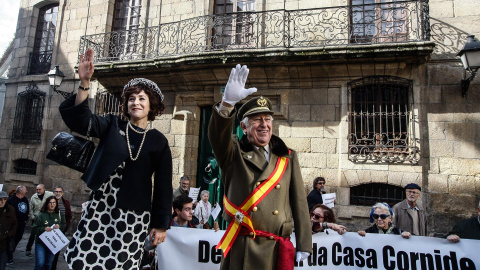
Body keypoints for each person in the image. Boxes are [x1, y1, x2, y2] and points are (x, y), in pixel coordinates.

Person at [60, 48, 173, 269]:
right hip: (100, 208)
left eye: (142, 98)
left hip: (133, 216)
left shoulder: (158, 140)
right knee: (85, 262)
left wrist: (161, 225)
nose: (136, 102)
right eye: (131, 98)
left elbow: (162, 186)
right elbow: (81, 122)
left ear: (152, 105)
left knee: (121, 264)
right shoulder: (112, 125)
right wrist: (84, 82)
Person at [208, 64, 312, 270]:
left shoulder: (287, 157)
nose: (264, 125)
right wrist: (227, 104)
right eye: (257, 120)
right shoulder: (233, 152)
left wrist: (304, 244)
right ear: (244, 127)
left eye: (267, 119)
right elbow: (216, 136)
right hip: (243, 247)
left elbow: (299, 204)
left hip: (276, 249)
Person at [32, 196, 65, 270]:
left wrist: (59, 226)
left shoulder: (59, 214)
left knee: (48, 264)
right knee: (40, 263)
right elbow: (34, 228)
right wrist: (44, 229)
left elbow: (64, 225)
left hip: (52, 243)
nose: (52, 204)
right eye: (50, 203)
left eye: (54, 203)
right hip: (41, 242)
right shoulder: (41, 215)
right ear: (47, 204)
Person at [26, 184, 54, 256]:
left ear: (44, 189)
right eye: (37, 189)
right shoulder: (34, 197)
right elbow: (30, 207)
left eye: (39, 189)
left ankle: (46, 249)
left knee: (47, 233)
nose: (38, 191)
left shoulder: (50, 194)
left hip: (46, 217)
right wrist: (32, 216)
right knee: (33, 234)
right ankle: (28, 249)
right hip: (36, 218)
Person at [6, 186, 29, 265]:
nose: (26, 191)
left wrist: (26, 218)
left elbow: (27, 209)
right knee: (11, 239)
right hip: (12, 225)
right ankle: (8, 255)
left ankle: (11, 251)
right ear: (21, 191)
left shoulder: (25, 199)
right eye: (25, 190)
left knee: (18, 238)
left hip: (22, 224)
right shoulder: (11, 200)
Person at [51, 186, 72, 270]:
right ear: (54, 192)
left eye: (59, 192)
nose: (58, 193)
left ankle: (53, 267)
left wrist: (65, 227)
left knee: (56, 251)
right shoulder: (50, 201)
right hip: (49, 230)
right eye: (56, 191)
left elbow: (69, 216)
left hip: (60, 231)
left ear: (62, 193)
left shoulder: (65, 203)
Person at [0, 191, 17, 270]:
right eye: (0, 199)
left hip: (4, 242)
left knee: (2, 265)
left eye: (4, 199)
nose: (2, 202)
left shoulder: (10, 209)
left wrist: (10, 234)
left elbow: (14, 223)